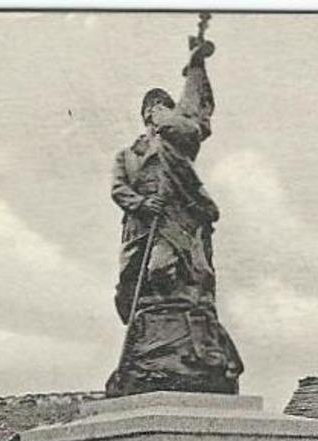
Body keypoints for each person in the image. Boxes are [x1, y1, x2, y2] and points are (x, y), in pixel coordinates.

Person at [107, 26, 242, 395]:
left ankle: (184, 348)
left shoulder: (176, 141)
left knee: (168, 271)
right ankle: (150, 347)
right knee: (135, 284)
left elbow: (193, 114)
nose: (155, 113)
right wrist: (142, 204)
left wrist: (196, 65)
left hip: (177, 220)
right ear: (144, 117)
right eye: (151, 109)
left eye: (160, 106)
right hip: (141, 225)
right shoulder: (128, 154)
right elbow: (118, 188)